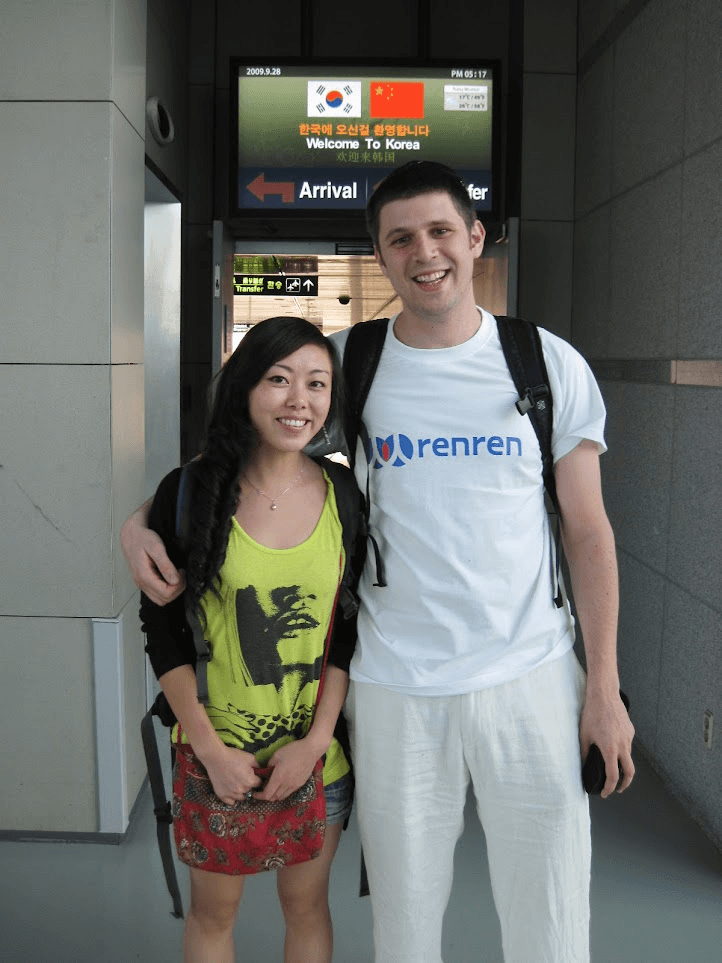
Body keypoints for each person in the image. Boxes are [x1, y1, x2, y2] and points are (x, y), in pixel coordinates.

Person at [123, 163, 635, 963]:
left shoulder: (544, 363)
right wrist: (141, 520)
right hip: (395, 684)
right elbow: (251, 439)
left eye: (440, 232)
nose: (423, 252)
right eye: (401, 239)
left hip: (530, 673)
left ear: (475, 238)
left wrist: (600, 686)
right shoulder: (350, 361)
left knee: (553, 909)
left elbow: (590, 532)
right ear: (381, 256)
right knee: (403, 916)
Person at [139, 316, 364, 963]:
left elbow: (345, 630)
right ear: (244, 387)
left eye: (317, 383)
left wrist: (316, 742)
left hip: (315, 759)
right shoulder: (189, 493)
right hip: (216, 761)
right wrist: (210, 748)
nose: (300, 399)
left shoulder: (344, 494)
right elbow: (164, 631)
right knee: (215, 912)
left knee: (307, 908)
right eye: (279, 379)